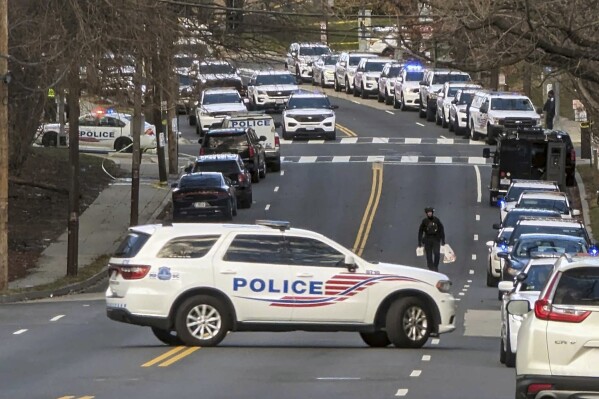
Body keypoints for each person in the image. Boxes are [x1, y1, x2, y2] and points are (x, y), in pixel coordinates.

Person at [418, 207, 446, 272]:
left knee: (437, 253)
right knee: (429, 255)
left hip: (436, 239)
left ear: (432, 213)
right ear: (426, 214)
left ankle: (435, 266)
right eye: (428, 213)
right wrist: (419, 242)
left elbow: (441, 230)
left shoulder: (436, 220)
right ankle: (431, 268)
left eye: (430, 212)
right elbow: (420, 231)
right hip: (427, 240)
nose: (429, 214)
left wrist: (443, 240)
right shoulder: (424, 221)